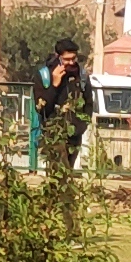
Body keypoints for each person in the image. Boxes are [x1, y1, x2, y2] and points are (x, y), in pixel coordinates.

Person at [39, 38, 92, 175]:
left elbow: (89, 103)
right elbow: (42, 108)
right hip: (54, 133)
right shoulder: (45, 75)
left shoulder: (82, 76)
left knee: (68, 173)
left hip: (74, 133)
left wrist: (81, 126)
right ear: (58, 57)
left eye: (74, 58)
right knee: (59, 175)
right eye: (67, 59)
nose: (71, 63)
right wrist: (54, 85)